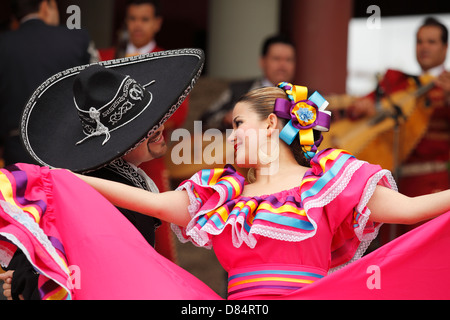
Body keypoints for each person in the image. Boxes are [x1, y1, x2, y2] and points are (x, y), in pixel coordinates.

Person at [2, 78, 450, 299]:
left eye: (239, 125)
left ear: (272, 124)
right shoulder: (223, 191)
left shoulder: (330, 181)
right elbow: (153, 202)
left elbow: (411, 211)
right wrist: (67, 179)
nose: (231, 135)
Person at [0, 48, 204, 300]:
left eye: (156, 117)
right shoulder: (105, 191)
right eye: (147, 126)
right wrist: (28, 278)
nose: (160, 126)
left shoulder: (117, 180)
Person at [348, 17, 450, 241]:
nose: (424, 47)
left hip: (433, 181)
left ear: (445, 47)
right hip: (393, 183)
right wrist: (362, 107)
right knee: (392, 251)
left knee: (425, 248)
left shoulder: (448, 85)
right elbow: (359, 109)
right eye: (420, 41)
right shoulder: (399, 83)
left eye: (431, 42)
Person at [0, 0, 97, 166]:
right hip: (68, 147)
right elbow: (96, 88)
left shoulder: (4, 43)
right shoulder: (77, 38)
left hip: (16, 149)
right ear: (46, 5)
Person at [201, 34, 297, 131]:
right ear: (262, 61)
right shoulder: (238, 90)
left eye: (289, 60)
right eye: (276, 59)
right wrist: (226, 118)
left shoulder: (305, 98)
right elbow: (205, 119)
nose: (283, 65)